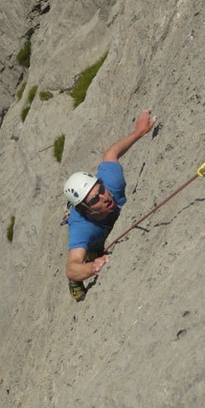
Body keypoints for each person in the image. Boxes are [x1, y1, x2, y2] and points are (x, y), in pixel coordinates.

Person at [63, 109, 156, 301]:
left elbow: (111, 153)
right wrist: (92, 267)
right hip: (96, 235)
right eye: (95, 200)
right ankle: (80, 279)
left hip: (102, 221)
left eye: (101, 190)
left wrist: (138, 133)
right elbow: (72, 268)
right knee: (93, 251)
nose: (105, 197)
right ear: (85, 210)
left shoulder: (110, 183)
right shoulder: (82, 227)